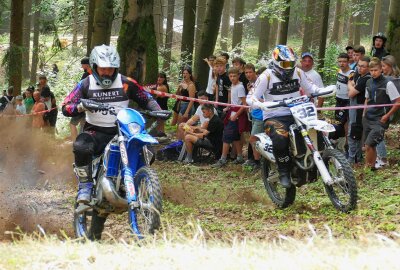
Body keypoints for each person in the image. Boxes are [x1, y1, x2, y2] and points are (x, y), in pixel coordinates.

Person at [62, 44, 161, 204]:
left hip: (123, 131)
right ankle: (85, 186)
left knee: (147, 150)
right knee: (81, 146)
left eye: (110, 68)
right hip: (95, 132)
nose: (107, 72)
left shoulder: (126, 83)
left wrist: (157, 110)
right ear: (94, 67)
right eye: (103, 68)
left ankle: (135, 180)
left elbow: (146, 98)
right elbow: (66, 106)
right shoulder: (86, 84)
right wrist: (81, 106)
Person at [248, 45, 334, 188]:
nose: (289, 67)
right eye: (285, 64)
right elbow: (251, 97)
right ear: (276, 62)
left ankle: (323, 162)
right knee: (281, 139)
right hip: (275, 115)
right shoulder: (266, 76)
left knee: (317, 132)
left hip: (299, 112)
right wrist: (260, 104)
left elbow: (312, 89)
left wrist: (326, 90)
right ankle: (283, 172)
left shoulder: (299, 73)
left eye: (291, 63)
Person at [363, 57, 400, 171]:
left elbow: (398, 102)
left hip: (380, 119)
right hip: (368, 117)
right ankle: (372, 168)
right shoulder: (368, 82)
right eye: (371, 70)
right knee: (370, 146)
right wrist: (364, 113)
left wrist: (386, 116)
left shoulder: (388, 83)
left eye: (376, 70)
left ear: (381, 70)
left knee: (369, 144)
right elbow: (367, 98)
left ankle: (367, 169)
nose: (373, 73)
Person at [212, 67, 249, 168]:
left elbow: (244, 104)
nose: (232, 78)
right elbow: (232, 101)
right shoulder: (233, 86)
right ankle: (240, 157)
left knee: (226, 136)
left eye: (234, 76)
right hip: (231, 112)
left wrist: (236, 115)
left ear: (238, 76)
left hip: (236, 114)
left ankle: (223, 159)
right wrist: (228, 107)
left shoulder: (240, 87)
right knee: (236, 137)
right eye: (231, 76)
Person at [319, 53, 354, 152]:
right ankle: (340, 143)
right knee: (338, 121)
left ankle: (343, 144)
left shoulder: (351, 73)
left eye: (344, 61)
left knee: (342, 123)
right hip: (338, 99)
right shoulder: (339, 71)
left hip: (346, 101)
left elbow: (352, 85)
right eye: (340, 61)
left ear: (348, 62)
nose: (341, 63)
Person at [347, 56, 371, 165]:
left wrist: (351, 85)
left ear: (369, 67)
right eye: (358, 65)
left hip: (359, 109)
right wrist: (351, 84)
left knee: (354, 133)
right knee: (352, 131)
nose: (359, 68)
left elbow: (351, 93)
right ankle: (354, 156)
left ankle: (354, 159)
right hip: (353, 106)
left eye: (363, 66)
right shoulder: (358, 74)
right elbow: (350, 80)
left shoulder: (366, 79)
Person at [244, 64, 262, 171]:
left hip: (261, 115)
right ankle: (257, 161)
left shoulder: (260, 83)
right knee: (256, 138)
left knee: (253, 139)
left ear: (254, 72)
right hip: (254, 114)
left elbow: (262, 99)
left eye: (250, 72)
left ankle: (258, 162)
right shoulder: (250, 84)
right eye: (246, 72)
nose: (248, 74)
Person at [154, 72, 169, 137]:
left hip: (162, 107)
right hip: (159, 107)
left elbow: (155, 96)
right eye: (158, 77)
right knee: (159, 123)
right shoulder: (158, 86)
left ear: (164, 79)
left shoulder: (162, 87)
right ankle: (160, 136)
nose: (159, 78)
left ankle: (162, 137)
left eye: (161, 77)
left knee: (160, 124)